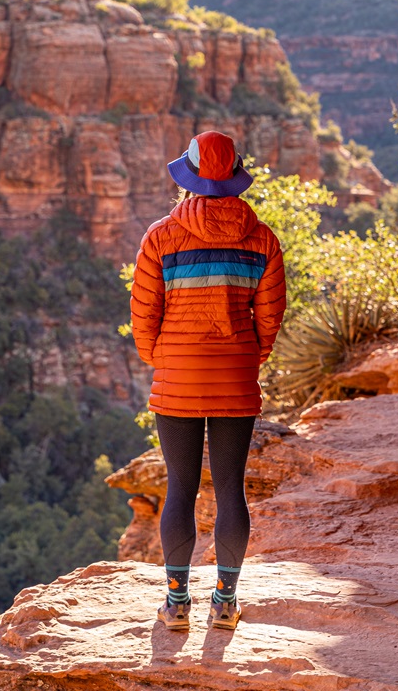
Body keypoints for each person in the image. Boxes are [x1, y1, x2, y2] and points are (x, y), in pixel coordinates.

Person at [130, 130, 286, 630]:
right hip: (236, 377)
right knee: (230, 490)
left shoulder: (161, 236)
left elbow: (143, 313)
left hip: (176, 378)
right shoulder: (262, 239)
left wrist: (160, 357)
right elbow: (271, 315)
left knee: (180, 488)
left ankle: (177, 604)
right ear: (236, 178)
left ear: (190, 178)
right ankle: (225, 602)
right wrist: (248, 357)